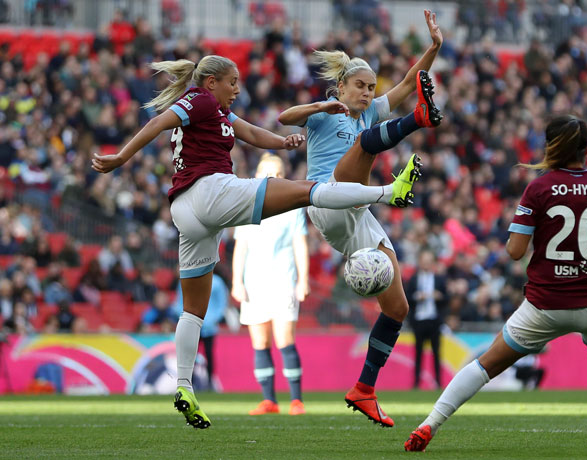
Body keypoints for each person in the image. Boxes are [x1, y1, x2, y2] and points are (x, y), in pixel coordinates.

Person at [91, 54, 420, 430]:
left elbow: (250, 133)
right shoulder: (199, 99)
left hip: (188, 212)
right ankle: (387, 191)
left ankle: (183, 386)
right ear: (211, 81)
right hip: (210, 191)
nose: (237, 88)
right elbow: (157, 123)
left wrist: (284, 143)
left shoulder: (215, 112)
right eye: (232, 81)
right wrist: (122, 157)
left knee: (192, 310)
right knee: (309, 191)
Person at [404, 115, 587, 452]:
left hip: (546, 305)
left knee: (486, 364)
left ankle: (428, 426)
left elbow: (515, 252)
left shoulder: (539, 188)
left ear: (550, 148)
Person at [277, 9, 443, 427]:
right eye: (360, 87)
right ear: (342, 87)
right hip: (326, 200)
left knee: (398, 307)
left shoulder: (368, 112)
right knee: (367, 147)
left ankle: (364, 389)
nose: (368, 93)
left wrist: (434, 48)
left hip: (358, 209)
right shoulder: (326, 112)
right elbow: (284, 118)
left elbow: (408, 83)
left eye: (371, 87)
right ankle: (417, 123)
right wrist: (323, 105)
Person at [231, 154, 309, 416]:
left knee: (285, 340)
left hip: (283, 281)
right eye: (267, 172)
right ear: (257, 175)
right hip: (254, 283)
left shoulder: (292, 207)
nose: (272, 176)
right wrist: (236, 281)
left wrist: (303, 280)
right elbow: (240, 247)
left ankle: (296, 400)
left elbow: (300, 244)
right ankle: (269, 400)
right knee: (260, 342)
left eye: (277, 172)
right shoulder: (246, 206)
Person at [172, 267, 229, 391]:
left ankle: (209, 382)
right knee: (190, 356)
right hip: (192, 325)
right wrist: (186, 319)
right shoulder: (186, 279)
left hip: (208, 327)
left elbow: (222, 304)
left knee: (208, 355)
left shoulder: (217, 282)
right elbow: (178, 303)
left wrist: (211, 319)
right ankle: (190, 383)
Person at [404, 249, 447, 389]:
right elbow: (407, 297)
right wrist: (418, 296)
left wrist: (439, 296)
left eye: (429, 261)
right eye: (424, 261)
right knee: (418, 353)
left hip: (434, 320)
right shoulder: (414, 279)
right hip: (419, 320)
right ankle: (416, 383)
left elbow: (447, 298)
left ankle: (438, 383)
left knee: (437, 353)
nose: (427, 264)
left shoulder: (439, 279)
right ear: (420, 262)